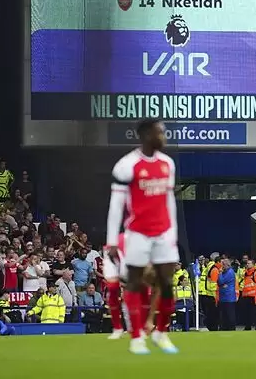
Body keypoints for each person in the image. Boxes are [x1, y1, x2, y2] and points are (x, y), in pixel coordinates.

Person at [105, 118, 179, 355]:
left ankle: (160, 333)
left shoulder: (168, 163)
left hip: (164, 233)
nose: (164, 137)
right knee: (135, 283)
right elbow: (116, 205)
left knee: (167, 283)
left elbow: (170, 201)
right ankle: (136, 337)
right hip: (137, 233)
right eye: (160, 132)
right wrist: (112, 241)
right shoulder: (126, 165)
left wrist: (173, 234)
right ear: (147, 135)